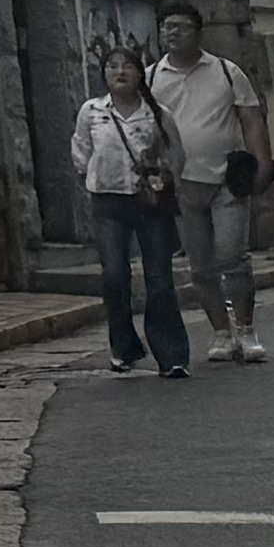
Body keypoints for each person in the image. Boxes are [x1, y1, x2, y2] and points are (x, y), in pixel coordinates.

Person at [144, 3, 267, 364]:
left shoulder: (227, 72)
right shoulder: (151, 78)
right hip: (180, 184)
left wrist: (261, 167)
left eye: (181, 27)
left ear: (198, 32)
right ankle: (220, 332)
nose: (173, 33)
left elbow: (252, 120)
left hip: (226, 179)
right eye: (167, 27)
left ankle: (245, 327)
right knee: (200, 266)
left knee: (232, 255)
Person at [78, 47, 189, 380]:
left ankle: (171, 355)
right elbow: (81, 150)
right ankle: (123, 346)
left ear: (140, 73)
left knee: (159, 277)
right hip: (107, 201)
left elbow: (176, 155)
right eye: (112, 67)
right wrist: (90, 179)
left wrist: (163, 181)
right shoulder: (92, 112)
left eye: (127, 66)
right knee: (114, 274)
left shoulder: (157, 115)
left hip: (149, 203)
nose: (119, 72)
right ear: (104, 75)